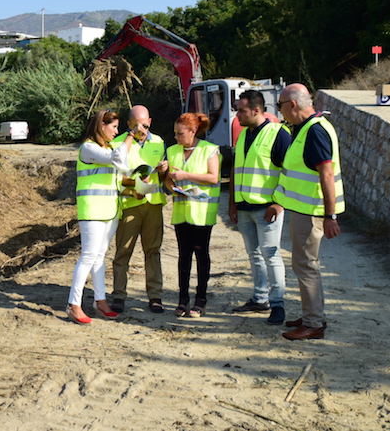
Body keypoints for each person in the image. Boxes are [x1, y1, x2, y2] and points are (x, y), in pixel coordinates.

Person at [271, 83, 344, 340]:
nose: (279, 112)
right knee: (304, 264)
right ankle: (312, 315)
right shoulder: (307, 129)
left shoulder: (314, 131)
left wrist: (330, 216)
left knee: (306, 265)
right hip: (306, 209)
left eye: (280, 105)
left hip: (312, 210)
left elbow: (326, 172)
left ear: (292, 104)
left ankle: (313, 322)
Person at [67, 110, 147, 324]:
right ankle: (74, 304)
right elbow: (118, 158)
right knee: (88, 256)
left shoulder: (109, 147)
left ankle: (100, 301)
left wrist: (141, 183)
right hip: (92, 210)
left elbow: (123, 169)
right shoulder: (88, 148)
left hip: (110, 211)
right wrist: (131, 135)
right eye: (113, 127)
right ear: (101, 126)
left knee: (100, 256)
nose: (117, 131)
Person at [229, 90, 292, 325]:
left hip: (267, 208)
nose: (237, 115)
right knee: (254, 255)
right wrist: (233, 204)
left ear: (256, 110)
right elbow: (236, 171)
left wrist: (279, 202)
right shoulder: (244, 135)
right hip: (245, 207)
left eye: (241, 111)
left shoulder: (279, 134)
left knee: (272, 255)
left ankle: (277, 305)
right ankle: (260, 297)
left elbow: (289, 172)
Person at [110, 105, 169, 314]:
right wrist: (135, 187)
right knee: (123, 251)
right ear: (128, 124)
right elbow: (115, 177)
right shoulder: (118, 144)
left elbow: (162, 177)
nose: (140, 128)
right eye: (135, 125)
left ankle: (155, 296)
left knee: (153, 251)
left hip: (153, 204)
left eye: (144, 124)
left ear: (150, 122)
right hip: (130, 205)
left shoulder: (159, 142)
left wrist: (163, 171)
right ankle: (118, 295)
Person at [165, 113, 221, 318]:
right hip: (182, 211)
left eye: (180, 134)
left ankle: (200, 300)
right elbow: (169, 181)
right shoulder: (172, 151)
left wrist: (186, 176)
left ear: (193, 131)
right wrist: (170, 183)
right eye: (175, 134)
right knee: (183, 256)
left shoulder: (209, 150)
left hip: (202, 212)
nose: (176, 138)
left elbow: (214, 177)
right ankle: (182, 301)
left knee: (201, 254)